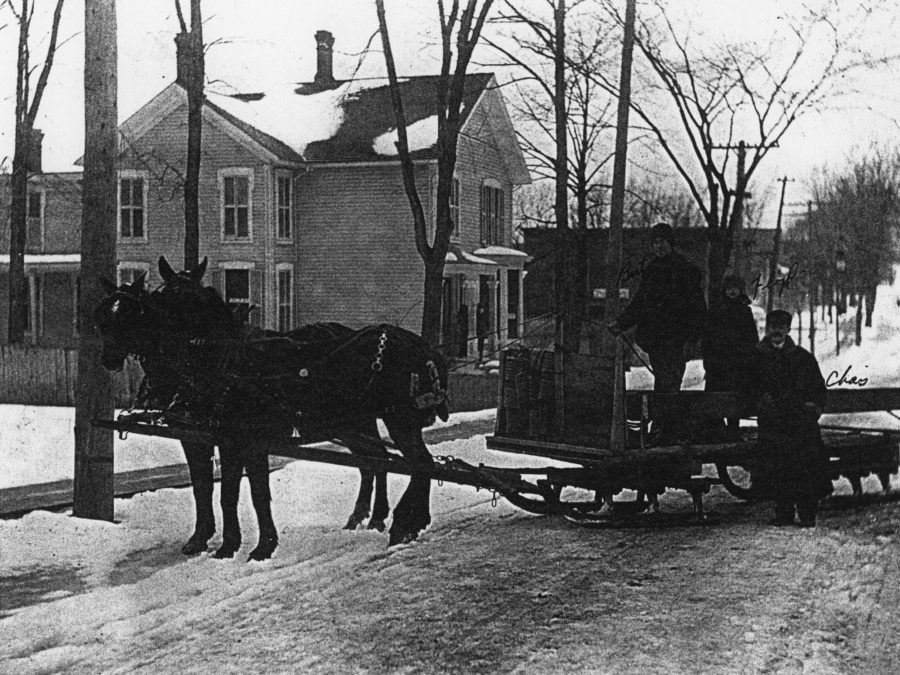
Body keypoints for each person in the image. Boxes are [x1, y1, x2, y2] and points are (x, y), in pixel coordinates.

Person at [608, 222, 707, 444]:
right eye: (655, 242)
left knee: (669, 383)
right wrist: (620, 323)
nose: (658, 246)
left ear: (671, 243)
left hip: (677, 338)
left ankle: (666, 430)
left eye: (662, 241)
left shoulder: (686, 271)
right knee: (663, 383)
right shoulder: (651, 271)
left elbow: (697, 307)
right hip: (657, 339)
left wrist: (692, 338)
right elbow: (639, 304)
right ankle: (664, 429)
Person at [748, 309, 832, 527]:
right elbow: (748, 388)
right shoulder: (756, 358)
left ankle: (807, 513)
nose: (777, 331)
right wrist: (761, 402)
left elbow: (818, 389)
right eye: (773, 327)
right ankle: (783, 513)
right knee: (778, 468)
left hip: (800, 422)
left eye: (781, 327)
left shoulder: (803, 357)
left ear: (788, 329)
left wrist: (812, 408)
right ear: (767, 329)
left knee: (806, 468)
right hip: (774, 422)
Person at [702, 274, 759, 441]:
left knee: (735, 399)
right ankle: (717, 431)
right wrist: (709, 361)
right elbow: (707, 339)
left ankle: (733, 431)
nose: (732, 291)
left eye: (736, 288)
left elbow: (751, 338)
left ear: (741, 291)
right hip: (718, 364)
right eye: (729, 288)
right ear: (724, 290)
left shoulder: (745, 312)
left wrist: (749, 359)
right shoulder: (715, 311)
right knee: (715, 398)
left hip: (737, 365)